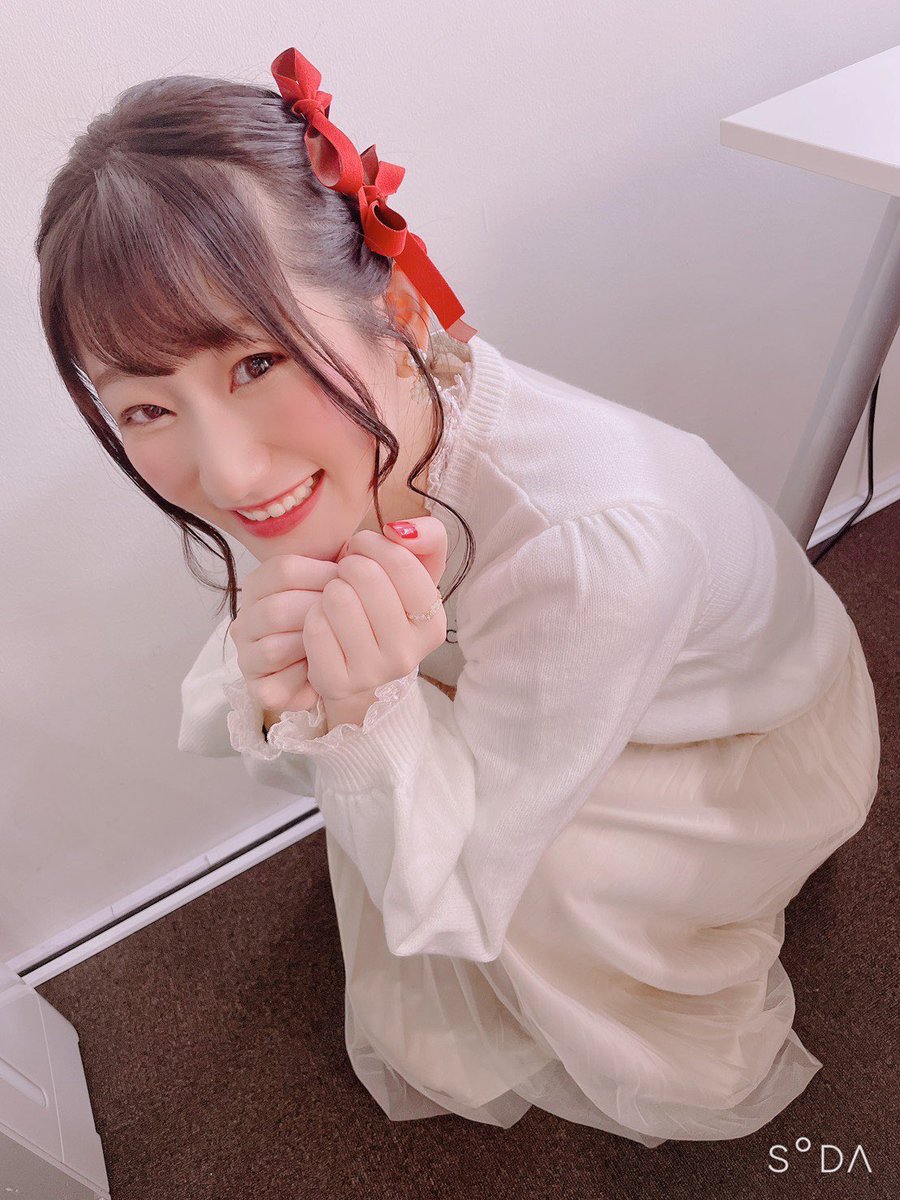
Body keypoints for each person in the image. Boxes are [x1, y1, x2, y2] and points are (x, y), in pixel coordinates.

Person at [35, 47, 882, 1148]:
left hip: (724, 741)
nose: (230, 476)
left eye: (255, 362)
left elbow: (468, 886)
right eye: (146, 410)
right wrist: (334, 699)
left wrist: (365, 713)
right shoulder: (375, 428)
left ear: (394, 309)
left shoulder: (588, 546)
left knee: (532, 882)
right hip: (567, 675)